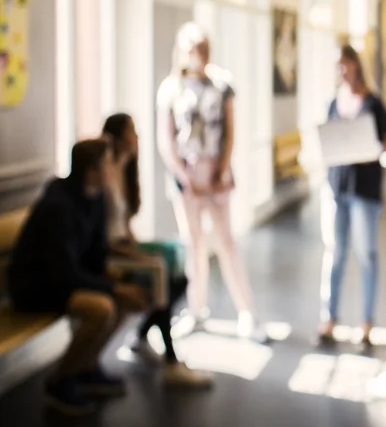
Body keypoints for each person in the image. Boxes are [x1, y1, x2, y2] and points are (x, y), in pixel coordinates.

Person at [7, 139, 149, 416]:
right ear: (92, 171)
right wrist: (115, 287)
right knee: (103, 307)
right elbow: (64, 273)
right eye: (108, 163)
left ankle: (86, 368)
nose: (113, 167)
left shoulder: (95, 199)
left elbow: (95, 253)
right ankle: (61, 381)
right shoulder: (58, 206)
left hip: (63, 281)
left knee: (121, 303)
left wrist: (125, 279)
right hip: (36, 287)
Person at [156, 22, 266, 341]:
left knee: (226, 242)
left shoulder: (221, 85)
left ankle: (247, 312)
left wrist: (221, 168)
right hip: (187, 177)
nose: (198, 55)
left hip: (216, 174)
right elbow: (167, 139)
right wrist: (183, 175)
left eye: (202, 48)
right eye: (192, 49)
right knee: (194, 244)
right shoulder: (171, 89)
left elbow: (229, 131)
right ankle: (196, 309)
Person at [101, 113, 212, 387]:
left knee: (177, 273)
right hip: (109, 253)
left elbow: (123, 224)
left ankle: (143, 338)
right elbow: (105, 231)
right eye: (132, 131)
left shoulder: (125, 168)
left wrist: (139, 250)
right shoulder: (106, 171)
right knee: (161, 274)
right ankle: (170, 361)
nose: (137, 137)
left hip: (123, 247)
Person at [318, 44, 386, 349]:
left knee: (366, 255)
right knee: (335, 253)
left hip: (365, 188)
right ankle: (329, 317)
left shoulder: (373, 103)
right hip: (338, 187)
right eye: (337, 65)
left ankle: (366, 321)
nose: (342, 71)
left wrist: (370, 150)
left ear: (355, 64)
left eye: (345, 64)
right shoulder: (332, 103)